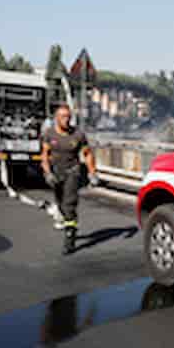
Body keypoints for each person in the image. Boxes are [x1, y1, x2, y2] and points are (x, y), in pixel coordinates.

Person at [41, 103, 98, 255]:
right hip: (55, 173)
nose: (66, 120)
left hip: (72, 172)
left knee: (69, 204)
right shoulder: (49, 134)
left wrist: (92, 173)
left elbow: (88, 154)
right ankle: (68, 222)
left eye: (68, 117)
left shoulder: (78, 135)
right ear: (56, 118)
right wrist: (47, 173)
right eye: (63, 117)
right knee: (60, 203)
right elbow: (45, 155)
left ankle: (70, 238)